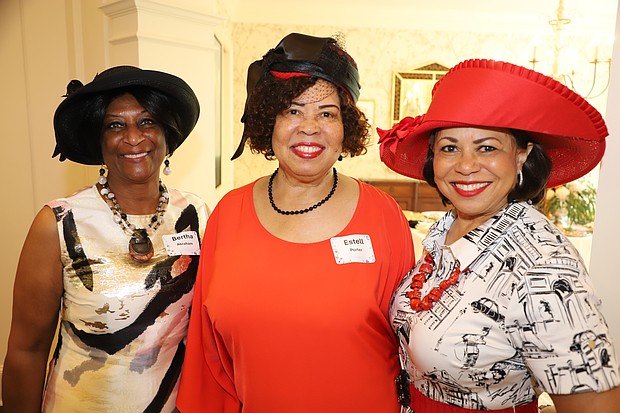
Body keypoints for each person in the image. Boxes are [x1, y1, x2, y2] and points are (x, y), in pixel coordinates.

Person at [176, 33, 415, 413]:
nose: (309, 127)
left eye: (327, 113)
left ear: (345, 128)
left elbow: (413, 345)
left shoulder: (384, 216)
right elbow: (208, 354)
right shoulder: (228, 214)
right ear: (269, 122)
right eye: (293, 110)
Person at [378, 58, 620, 413]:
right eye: (449, 147)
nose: (465, 164)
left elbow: (595, 406)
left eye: (487, 147)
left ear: (522, 156)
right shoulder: (446, 234)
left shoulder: (543, 267)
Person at [2, 66, 209, 413]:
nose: (133, 138)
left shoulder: (197, 215)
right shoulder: (59, 223)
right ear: (99, 141)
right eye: (115, 125)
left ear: (166, 134)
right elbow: (27, 350)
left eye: (147, 122)